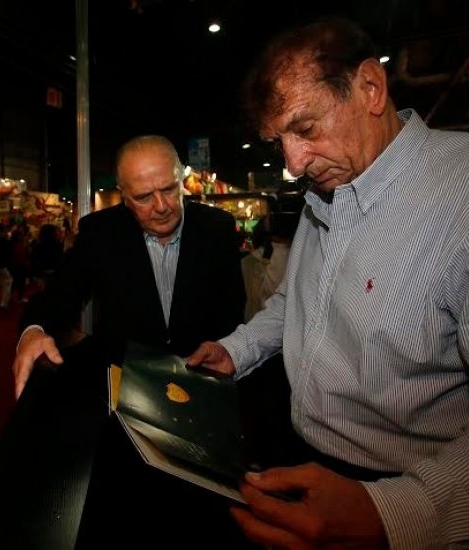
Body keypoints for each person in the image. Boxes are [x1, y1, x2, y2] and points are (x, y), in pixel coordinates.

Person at [186, 16, 469, 549]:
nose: (292, 164)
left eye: (306, 129)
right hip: (301, 455)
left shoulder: (461, 198)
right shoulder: (325, 193)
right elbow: (296, 302)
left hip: (406, 492)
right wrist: (236, 349)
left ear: (370, 87)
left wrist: (392, 512)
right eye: (280, 141)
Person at [11, 134, 246, 399]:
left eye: (169, 189)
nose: (161, 207)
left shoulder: (217, 227)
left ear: (181, 180)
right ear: (124, 197)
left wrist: (225, 350)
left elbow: (232, 307)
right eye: (144, 197)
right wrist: (33, 331)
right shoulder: (99, 232)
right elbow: (60, 295)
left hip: (203, 382)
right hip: (126, 387)